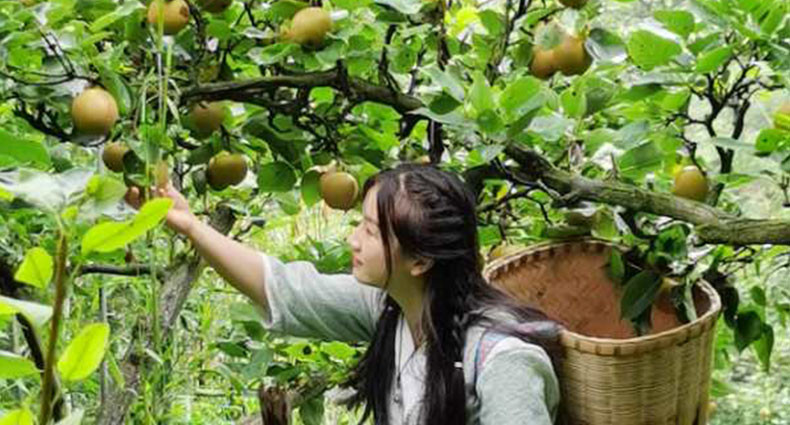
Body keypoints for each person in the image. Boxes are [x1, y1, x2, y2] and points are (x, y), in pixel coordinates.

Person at [127, 162, 563, 425]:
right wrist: (189, 225)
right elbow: (281, 288)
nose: (353, 241)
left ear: (419, 261)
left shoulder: (503, 362)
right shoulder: (392, 309)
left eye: (370, 232)